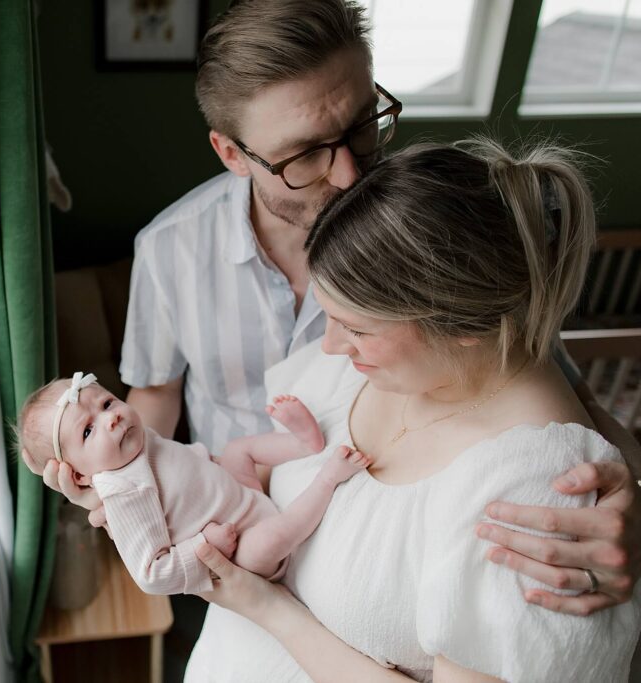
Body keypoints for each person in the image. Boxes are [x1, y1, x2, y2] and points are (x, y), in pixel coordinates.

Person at [44, 0, 641, 615]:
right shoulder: (169, 250)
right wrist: (125, 478)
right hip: (226, 538)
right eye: (305, 154)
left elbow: (555, 384)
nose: (351, 175)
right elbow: (157, 393)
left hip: (368, 558)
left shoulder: (426, 220)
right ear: (231, 153)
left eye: (362, 126)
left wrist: (629, 488)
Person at [186, 138, 641, 681]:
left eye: (356, 328)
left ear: (464, 325)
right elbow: (267, 483)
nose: (329, 345)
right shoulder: (371, 367)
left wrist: (265, 607)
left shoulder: (534, 491)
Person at [18, 372, 369, 594]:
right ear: (79, 476)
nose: (111, 418)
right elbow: (151, 575)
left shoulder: (131, 441)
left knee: (237, 449)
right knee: (266, 543)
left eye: (107, 402)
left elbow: (177, 463)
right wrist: (205, 545)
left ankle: (304, 443)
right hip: (240, 545)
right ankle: (327, 480)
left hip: (240, 496)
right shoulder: (123, 493)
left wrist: (207, 461)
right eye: (87, 430)